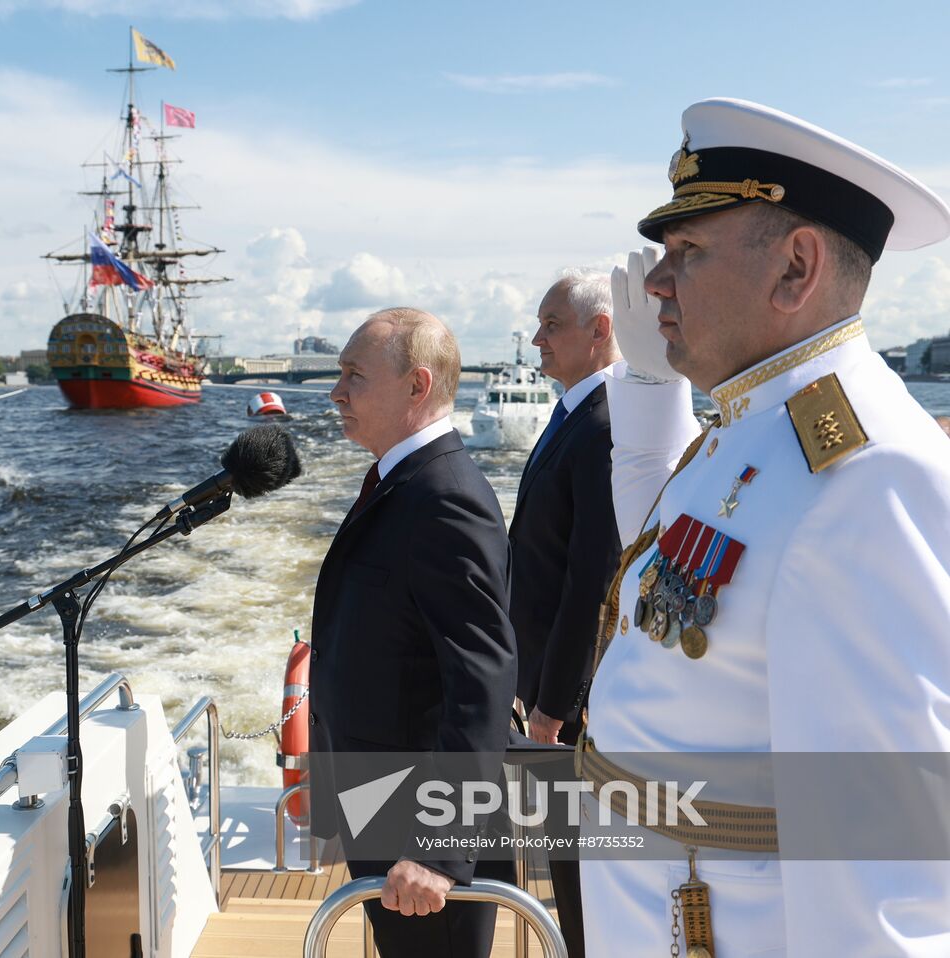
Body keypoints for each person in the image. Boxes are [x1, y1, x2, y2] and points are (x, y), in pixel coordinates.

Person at [581, 98, 950, 956]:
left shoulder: (866, 476)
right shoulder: (757, 427)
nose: (657, 284)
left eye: (689, 252)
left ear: (796, 267)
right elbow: (675, 581)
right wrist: (645, 386)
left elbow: (887, 874)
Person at [308, 307, 517, 958]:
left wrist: (441, 848)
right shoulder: (402, 484)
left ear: (416, 386)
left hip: (420, 827)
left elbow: (481, 680)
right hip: (380, 801)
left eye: (354, 375)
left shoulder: (443, 497)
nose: (337, 393)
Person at [508, 269, 623, 958]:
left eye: (552, 324)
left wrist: (553, 705)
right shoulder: (575, 414)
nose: (536, 338)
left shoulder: (604, 425)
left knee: (577, 876)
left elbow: (591, 579)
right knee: (563, 863)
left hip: (569, 706)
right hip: (543, 681)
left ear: (599, 330)